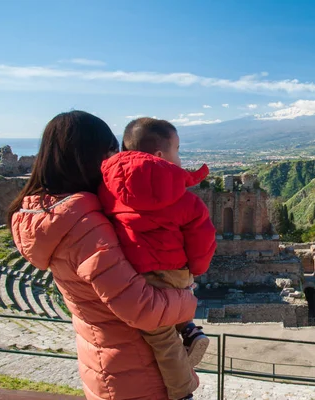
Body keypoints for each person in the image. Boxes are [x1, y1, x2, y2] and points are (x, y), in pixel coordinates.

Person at [8, 111, 199, 400]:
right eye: (110, 151)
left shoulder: (56, 217)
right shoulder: (84, 225)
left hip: (107, 362)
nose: (116, 161)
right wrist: (189, 298)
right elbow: (143, 308)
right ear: (88, 157)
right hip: (135, 372)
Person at [98, 117, 216, 399]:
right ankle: (183, 390)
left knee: (157, 328)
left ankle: (187, 330)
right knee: (164, 333)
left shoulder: (106, 189)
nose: (179, 157)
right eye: (177, 150)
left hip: (134, 271)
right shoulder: (184, 198)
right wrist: (196, 270)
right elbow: (202, 240)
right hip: (175, 272)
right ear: (161, 156)